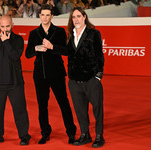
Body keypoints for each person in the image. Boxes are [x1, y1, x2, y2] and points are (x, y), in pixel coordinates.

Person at [25, 4, 76, 145]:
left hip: (57, 74)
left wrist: (52, 47)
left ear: (52, 16)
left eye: (48, 15)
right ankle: (45, 133)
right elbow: (28, 54)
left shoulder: (59, 32)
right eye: (43, 15)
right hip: (40, 75)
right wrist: (37, 48)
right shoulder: (34, 33)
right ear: (39, 16)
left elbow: (66, 51)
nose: (45, 17)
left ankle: (71, 133)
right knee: (42, 105)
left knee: (63, 103)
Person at [0, 15, 31, 146]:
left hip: (15, 84)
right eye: (2, 26)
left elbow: (15, 56)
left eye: (8, 26)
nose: (5, 29)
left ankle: (24, 136)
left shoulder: (18, 40)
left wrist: (6, 41)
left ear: (13, 25)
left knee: (20, 110)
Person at [66, 7, 105, 148]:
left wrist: (98, 76)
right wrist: (51, 46)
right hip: (74, 81)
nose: (76, 19)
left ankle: (99, 136)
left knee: (97, 109)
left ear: (84, 17)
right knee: (80, 110)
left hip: (91, 79)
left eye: (78, 16)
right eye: (73, 17)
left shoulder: (94, 34)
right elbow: (67, 53)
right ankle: (85, 134)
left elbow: (100, 55)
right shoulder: (70, 35)